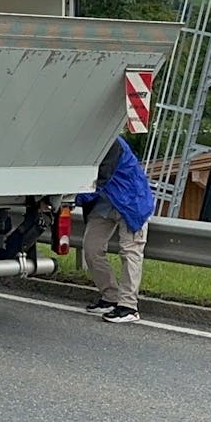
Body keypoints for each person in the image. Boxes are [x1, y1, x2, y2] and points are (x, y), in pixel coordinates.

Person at [76, 135, 154, 323]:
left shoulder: (112, 145)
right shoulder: (94, 143)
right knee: (91, 248)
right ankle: (110, 296)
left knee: (130, 252)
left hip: (132, 204)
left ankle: (128, 306)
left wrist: (70, 199)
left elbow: (98, 180)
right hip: (106, 203)